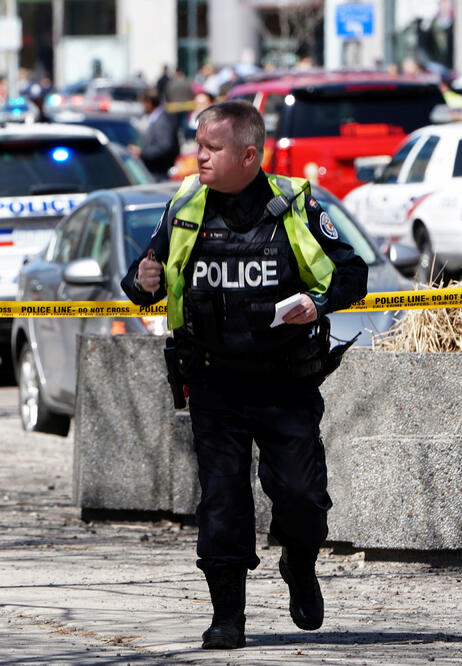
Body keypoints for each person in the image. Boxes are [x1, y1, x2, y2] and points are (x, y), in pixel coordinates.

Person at [121, 100, 368, 650]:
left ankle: (299, 567)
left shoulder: (292, 206)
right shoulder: (186, 204)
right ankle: (228, 616)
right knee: (223, 501)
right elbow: (143, 282)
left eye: (212, 148)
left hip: (284, 382)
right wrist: (143, 280)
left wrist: (316, 301)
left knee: (302, 497)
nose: (199, 157)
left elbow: (353, 274)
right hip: (213, 382)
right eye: (198, 145)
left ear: (249, 155)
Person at [129, 88, 179, 181]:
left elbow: (164, 146)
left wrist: (142, 152)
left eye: (143, 103)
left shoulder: (162, 120)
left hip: (160, 173)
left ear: (148, 103)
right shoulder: (155, 118)